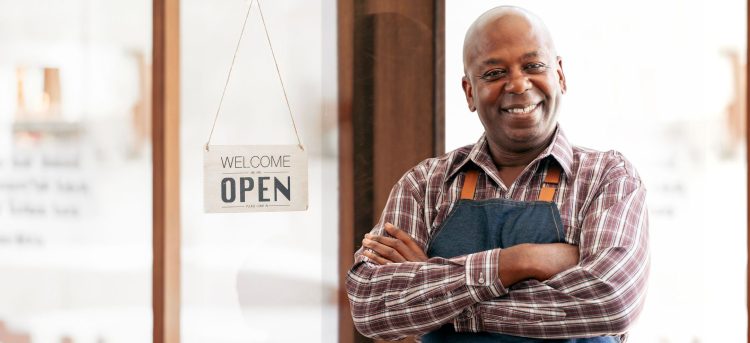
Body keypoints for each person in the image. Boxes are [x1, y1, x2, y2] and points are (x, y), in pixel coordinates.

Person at [345, 5, 649, 343]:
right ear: (470, 92)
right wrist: (519, 261)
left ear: (560, 75)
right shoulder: (426, 185)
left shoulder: (607, 178)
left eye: (533, 66)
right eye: (493, 73)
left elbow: (610, 302)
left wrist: (441, 301)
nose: (518, 84)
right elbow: (372, 305)